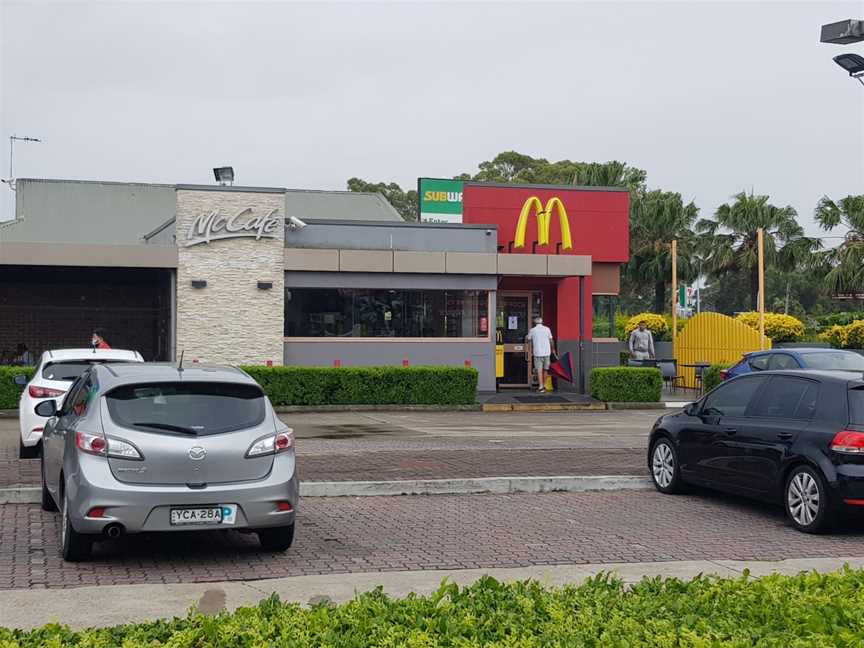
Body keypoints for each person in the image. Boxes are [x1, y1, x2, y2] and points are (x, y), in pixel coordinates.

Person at [526, 316, 555, 393]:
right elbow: (551, 340)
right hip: (547, 353)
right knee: (546, 369)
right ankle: (544, 385)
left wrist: (527, 338)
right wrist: (553, 349)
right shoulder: (547, 329)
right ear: (542, 322)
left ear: (534, 322)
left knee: (539, 370)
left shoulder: (532, 330)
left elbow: (528, 339)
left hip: (538, 353)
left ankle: (541, 386)